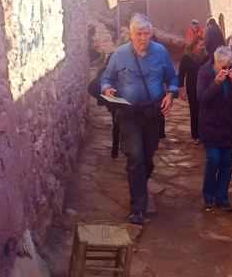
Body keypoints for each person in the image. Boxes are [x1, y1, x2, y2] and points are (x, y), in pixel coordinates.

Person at [101, 15, 179, 225]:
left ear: (151, 33)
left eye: (147, 34)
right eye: (139, 34)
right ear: (131, 34)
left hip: (152, 114)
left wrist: (171, 94)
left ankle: (139, 186)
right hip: (128, 115)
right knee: (135, 155)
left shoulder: (161, 53)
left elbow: (172, 78)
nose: (143, 38)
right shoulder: (119, 54)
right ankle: (138, 207)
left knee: (146, 158)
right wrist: (107, 88)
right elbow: (105, 79)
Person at [197, 46, 232, 211]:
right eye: (224, 67)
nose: (227, 70)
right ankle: (208, 193)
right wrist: (216, 83)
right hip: (210, 125)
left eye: (229, 66)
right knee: (214, 160)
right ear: (215, 62)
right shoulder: (204, 72)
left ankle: (222, 197)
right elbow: (202, 98)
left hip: (229, 124)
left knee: (226, 163)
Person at [87, 31, 131, 160]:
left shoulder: (126, 56)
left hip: (124, 95)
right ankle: (117, 148)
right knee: (117, 121)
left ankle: (121, 149)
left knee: (123, 122)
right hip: (116, 95)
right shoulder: (116, 56)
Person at [179, 35, 207, 144]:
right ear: (194, 45)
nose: (202, 47)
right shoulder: (186, 58)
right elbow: (181, 75)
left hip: (204, 87)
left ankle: (204, 134)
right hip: (192, 87)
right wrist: (182, 90)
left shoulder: (206, 57)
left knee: (204, 111)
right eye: (201, 45)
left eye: (203, 45)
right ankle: (196, 135)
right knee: (194, 111)